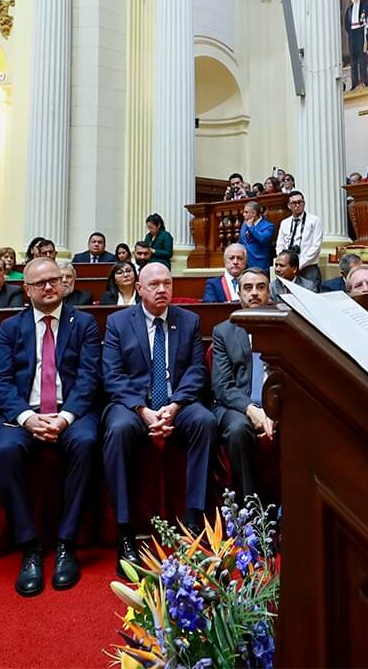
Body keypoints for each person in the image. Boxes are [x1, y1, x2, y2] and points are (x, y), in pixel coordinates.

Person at [0, 257, 102, 595]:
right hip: (25, 412)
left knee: (85, 444)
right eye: (40, 283)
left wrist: (65, 417)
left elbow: (88, 378)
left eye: (54, 280)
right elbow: (2, 381)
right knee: (6, 450)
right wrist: (27, 417)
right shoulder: (11, 327)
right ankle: (30, 547)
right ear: (26, 290)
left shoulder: (84, 324)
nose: (49, 286)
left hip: (72, 412)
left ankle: (67, 544)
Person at [101, 263, 218, 574]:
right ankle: (126, 532)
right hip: (133, 406)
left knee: (205, 421)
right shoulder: (118, 322)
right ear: (139, 289)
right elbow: (112, 376)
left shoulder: (189, 320)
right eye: (153, 284)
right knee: (117, 429)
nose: (162, 289)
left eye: (167, 283)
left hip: (177, 402)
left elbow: (195, 372)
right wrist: (143, 409)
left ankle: (193, 523)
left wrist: (175, 405)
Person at [210, 268, 276, 501]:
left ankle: (290, 509)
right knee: (238, 429)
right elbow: (222, 386)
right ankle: (250, 511)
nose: (255, 293)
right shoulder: (223, 331)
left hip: (278, 405)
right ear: (239, 294)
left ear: (269, 292)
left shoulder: (284, 328)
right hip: (236, 406)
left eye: (261, 287)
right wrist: (252, 410)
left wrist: (274, 412)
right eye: (248, 288)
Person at [276, 191, 323, 288]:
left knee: (310, 296)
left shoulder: (314, 221)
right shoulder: (284, 223)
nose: (297, 205)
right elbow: (280, 244)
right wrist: (285, 262)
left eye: (300, 202)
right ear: (289, 205)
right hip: (288, 268)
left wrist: (299, 264)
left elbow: (316, 246)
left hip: (308, 267)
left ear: (304, 203)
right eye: (294, 203)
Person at [343, 0, 368, 90]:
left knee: (362, 57)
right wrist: (351, 32)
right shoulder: (349, 9)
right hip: (353, 34)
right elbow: (346, 23)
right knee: (353, 59)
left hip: (361, 32)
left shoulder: (366, 4)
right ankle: (354, 82)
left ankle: (365, 81)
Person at [238, 200, 276, 273]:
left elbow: (262, 239)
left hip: (260, 266)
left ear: (254, 213)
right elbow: (241, 242)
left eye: (246, 212)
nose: (243, 214)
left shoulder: (268, 226)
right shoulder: (244, 224)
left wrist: (251, 227)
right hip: (244, 266)